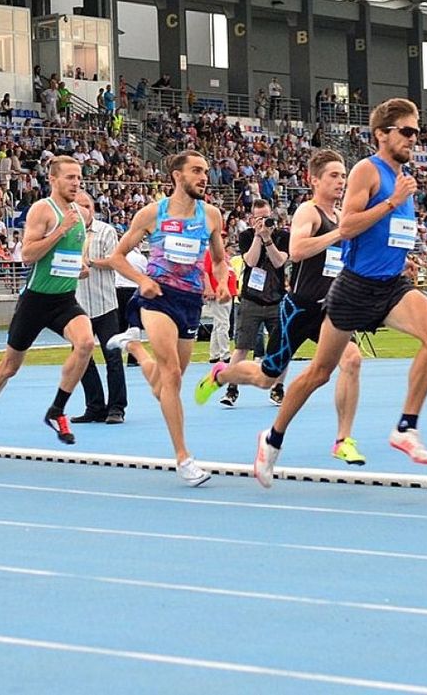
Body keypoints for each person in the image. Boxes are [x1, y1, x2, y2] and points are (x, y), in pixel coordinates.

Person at [249, 99, 427, 488]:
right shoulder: (367, 171)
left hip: (391, 285)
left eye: (417, 131)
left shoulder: (404, 179)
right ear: (382, 134)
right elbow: (351, 224)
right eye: (406, 131)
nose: (414, 138)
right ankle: (272, 439)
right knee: (319, 374)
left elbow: (392, 233)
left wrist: (400, 257)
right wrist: (391, 202)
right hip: (354, 289)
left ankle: (406, 427)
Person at [195, 150, 366, 464]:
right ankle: (221, 375)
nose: (341, 181)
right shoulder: (309, 212)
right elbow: (298, 251)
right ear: (313, 179)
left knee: (352, 360)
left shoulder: (344, 216)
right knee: (266, 378)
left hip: (332, 308)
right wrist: (338, 233)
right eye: (333, 175)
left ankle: (343, 440)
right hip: (299, 309)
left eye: (343, 175)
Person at [106, 150, 231, 486]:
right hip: (157, 297)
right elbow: (116, 257)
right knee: (172, 374)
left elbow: (219, 260)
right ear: (177, 175)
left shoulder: (212, 216)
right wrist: (143, 280)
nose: (204, 177)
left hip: (190, 302)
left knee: (164, 386)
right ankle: (183, 458)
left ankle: (134, 347)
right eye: (196, 170)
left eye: (206, 170)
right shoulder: (152, 214)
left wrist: (220, 283)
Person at [0, 156, 95, 456]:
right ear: (53, 179)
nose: (76, 183)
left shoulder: (79, 213)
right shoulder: (43, 210)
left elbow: (70, 258)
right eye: (70, 178)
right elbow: (27, 255)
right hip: (35, 300)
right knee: (9, 368)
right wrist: (60, 230)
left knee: (86, 342)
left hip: (64, 299)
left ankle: (57, 409)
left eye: (79, 177)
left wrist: (80, 265)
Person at [218, 198, 289, 407]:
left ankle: (278, 388)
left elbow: (279, 261)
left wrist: (269, 239)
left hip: (276, 299)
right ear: (251, 219)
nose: (264, 222)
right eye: (259, 218)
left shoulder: (283, 236)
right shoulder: (246, 236)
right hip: (251, 299)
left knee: (282, 347)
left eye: (267, 218)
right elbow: (250, 261)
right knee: (242, 347)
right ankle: (232, 388)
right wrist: (259, 236)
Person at [70, 191, 127, 424]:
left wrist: (90, 263)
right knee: (81, 357)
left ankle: (116, 408)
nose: (85, 210)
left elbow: (114, 261)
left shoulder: (106, 231)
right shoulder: (67, 232)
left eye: (88, 205)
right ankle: (94, 406)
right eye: (79, 206)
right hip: (77, 305)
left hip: (104, 304)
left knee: (112, 357)